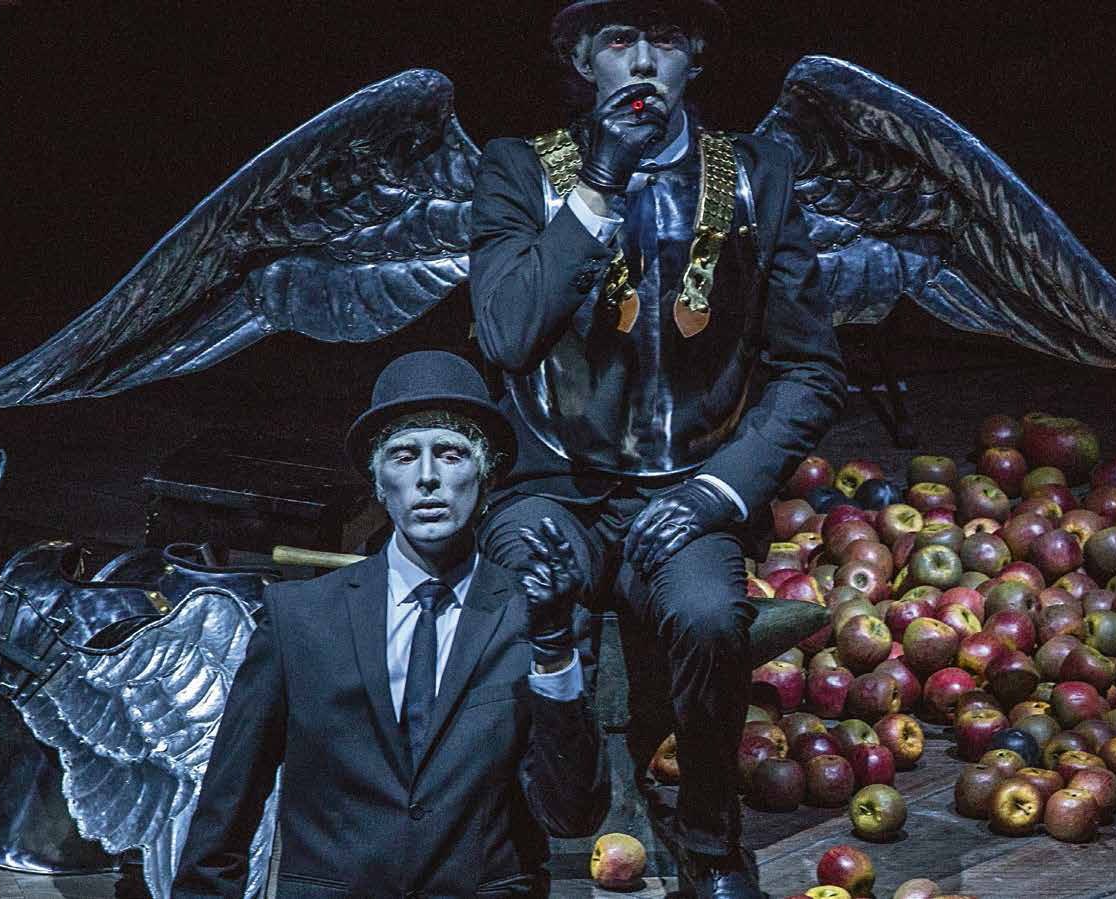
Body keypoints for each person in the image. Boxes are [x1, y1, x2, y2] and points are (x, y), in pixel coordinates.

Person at [468, 2, 846, 896]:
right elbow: (507, 333)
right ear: (581, 62)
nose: (642, 62)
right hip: (552, 483)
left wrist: (720, 491)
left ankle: (711, 840)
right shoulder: (520, 168)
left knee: (710, 616)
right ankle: (527, 823)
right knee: (520, 591)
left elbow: (810, 368)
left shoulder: (754, 172)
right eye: (618, 42)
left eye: (665, 41)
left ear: (695, 59)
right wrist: (599, 180)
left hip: (688, 483)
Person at [172, 350, 607, 899]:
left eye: (450, 454)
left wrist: (553, 653)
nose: (428, 478)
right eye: (404, 456)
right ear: (378, 483)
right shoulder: (300, 618)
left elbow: (573, 815)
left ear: (486, 477)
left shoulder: (533, 619)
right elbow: (226, 810)